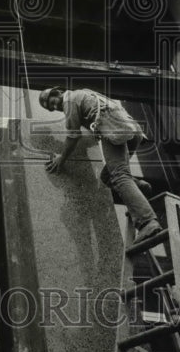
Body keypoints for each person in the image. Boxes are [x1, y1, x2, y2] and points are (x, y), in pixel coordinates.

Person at [39, 86, 163, 248]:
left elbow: (73, 135)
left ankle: (147, 221)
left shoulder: (69, 100)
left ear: (58, 93)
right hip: (131, 129)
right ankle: (140, 189)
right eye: (51, 108)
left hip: (115, 129)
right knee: (107, 177)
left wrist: (61, 159)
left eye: (53, 102)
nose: (55, 107)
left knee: (119, 176)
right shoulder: (84, 94)